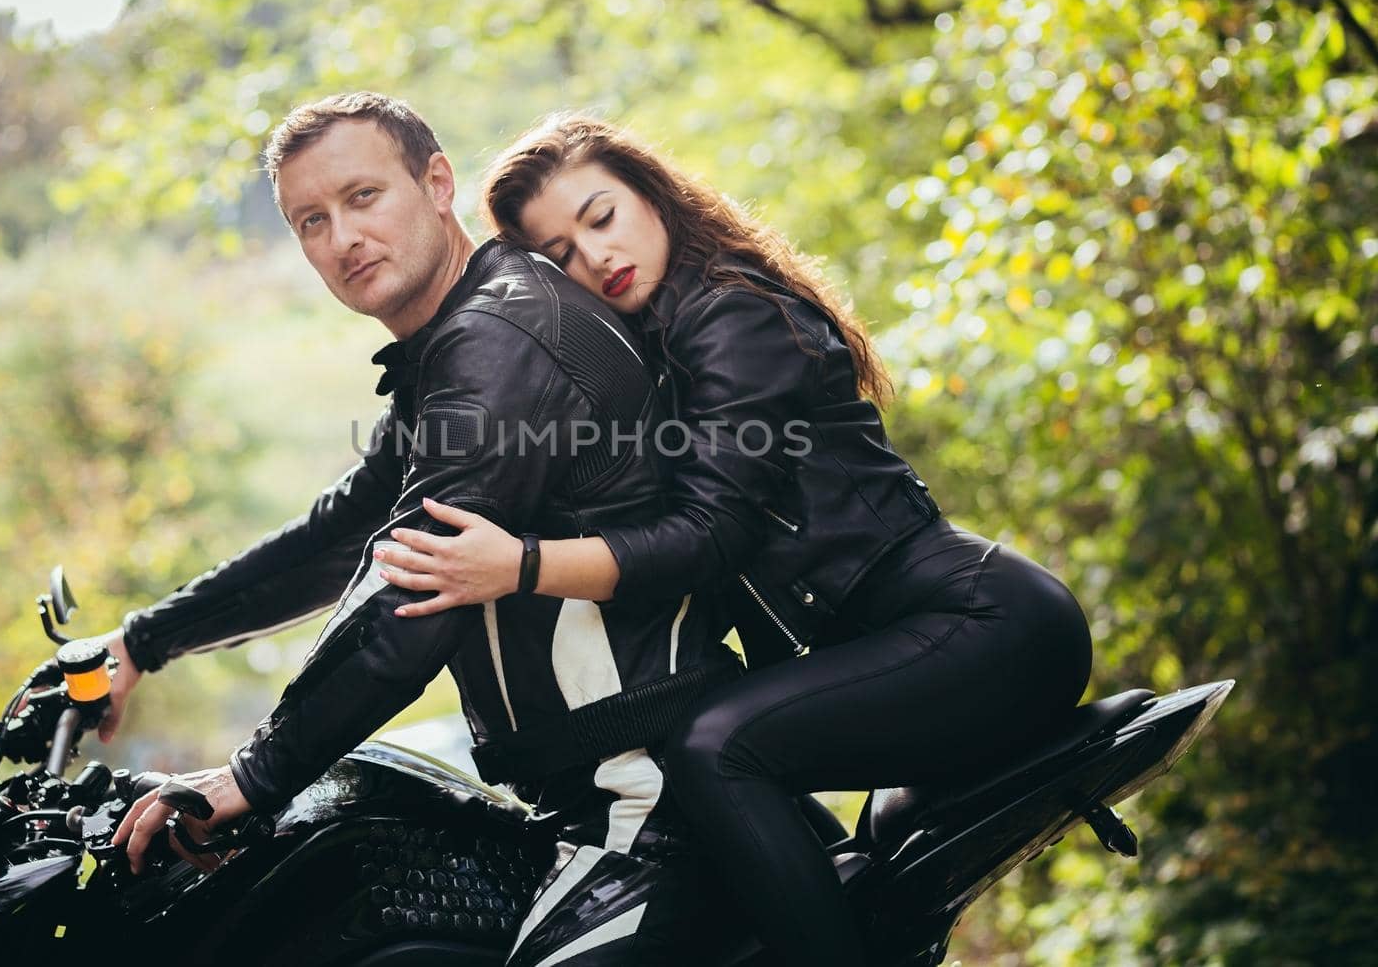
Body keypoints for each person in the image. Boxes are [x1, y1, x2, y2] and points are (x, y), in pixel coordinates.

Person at [377, 115, 1095, 965]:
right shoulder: (642, 350)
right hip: (902, 637)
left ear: (652, 194)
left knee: (716, 746)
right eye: (561, 254)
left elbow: (711, 533)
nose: (595, 257)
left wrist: (518, 567)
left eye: (602, 216)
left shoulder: (728, 314)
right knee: (759, 783)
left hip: (981, 624)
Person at [102, 93, 745, 964]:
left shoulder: (496, 342)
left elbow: (413, 592)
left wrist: (252, 776)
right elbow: (347, 534)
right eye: (311, 221)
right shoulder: (465, 333)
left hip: (647, 805)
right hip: (595, 795)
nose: (342, 239)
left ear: (437, 182)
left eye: (363, 197)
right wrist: (144, 640)